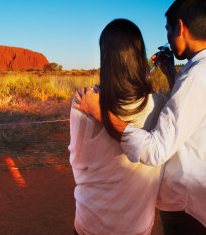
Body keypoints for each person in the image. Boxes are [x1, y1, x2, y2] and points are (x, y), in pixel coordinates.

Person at [74, 0, 206, 234]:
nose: (168, 39)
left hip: (189, 205)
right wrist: (171, 74)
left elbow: (154, 151)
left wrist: (99, 112)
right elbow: (194, 113)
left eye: (168, 30)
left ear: (181, 27)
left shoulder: (196, 78)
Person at [70, 18, 167, 235]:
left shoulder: (83, 99)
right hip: (136, 225)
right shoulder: (158, 105)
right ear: (138, 55)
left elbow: (76, 158)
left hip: (91, 220)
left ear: (105, 56)